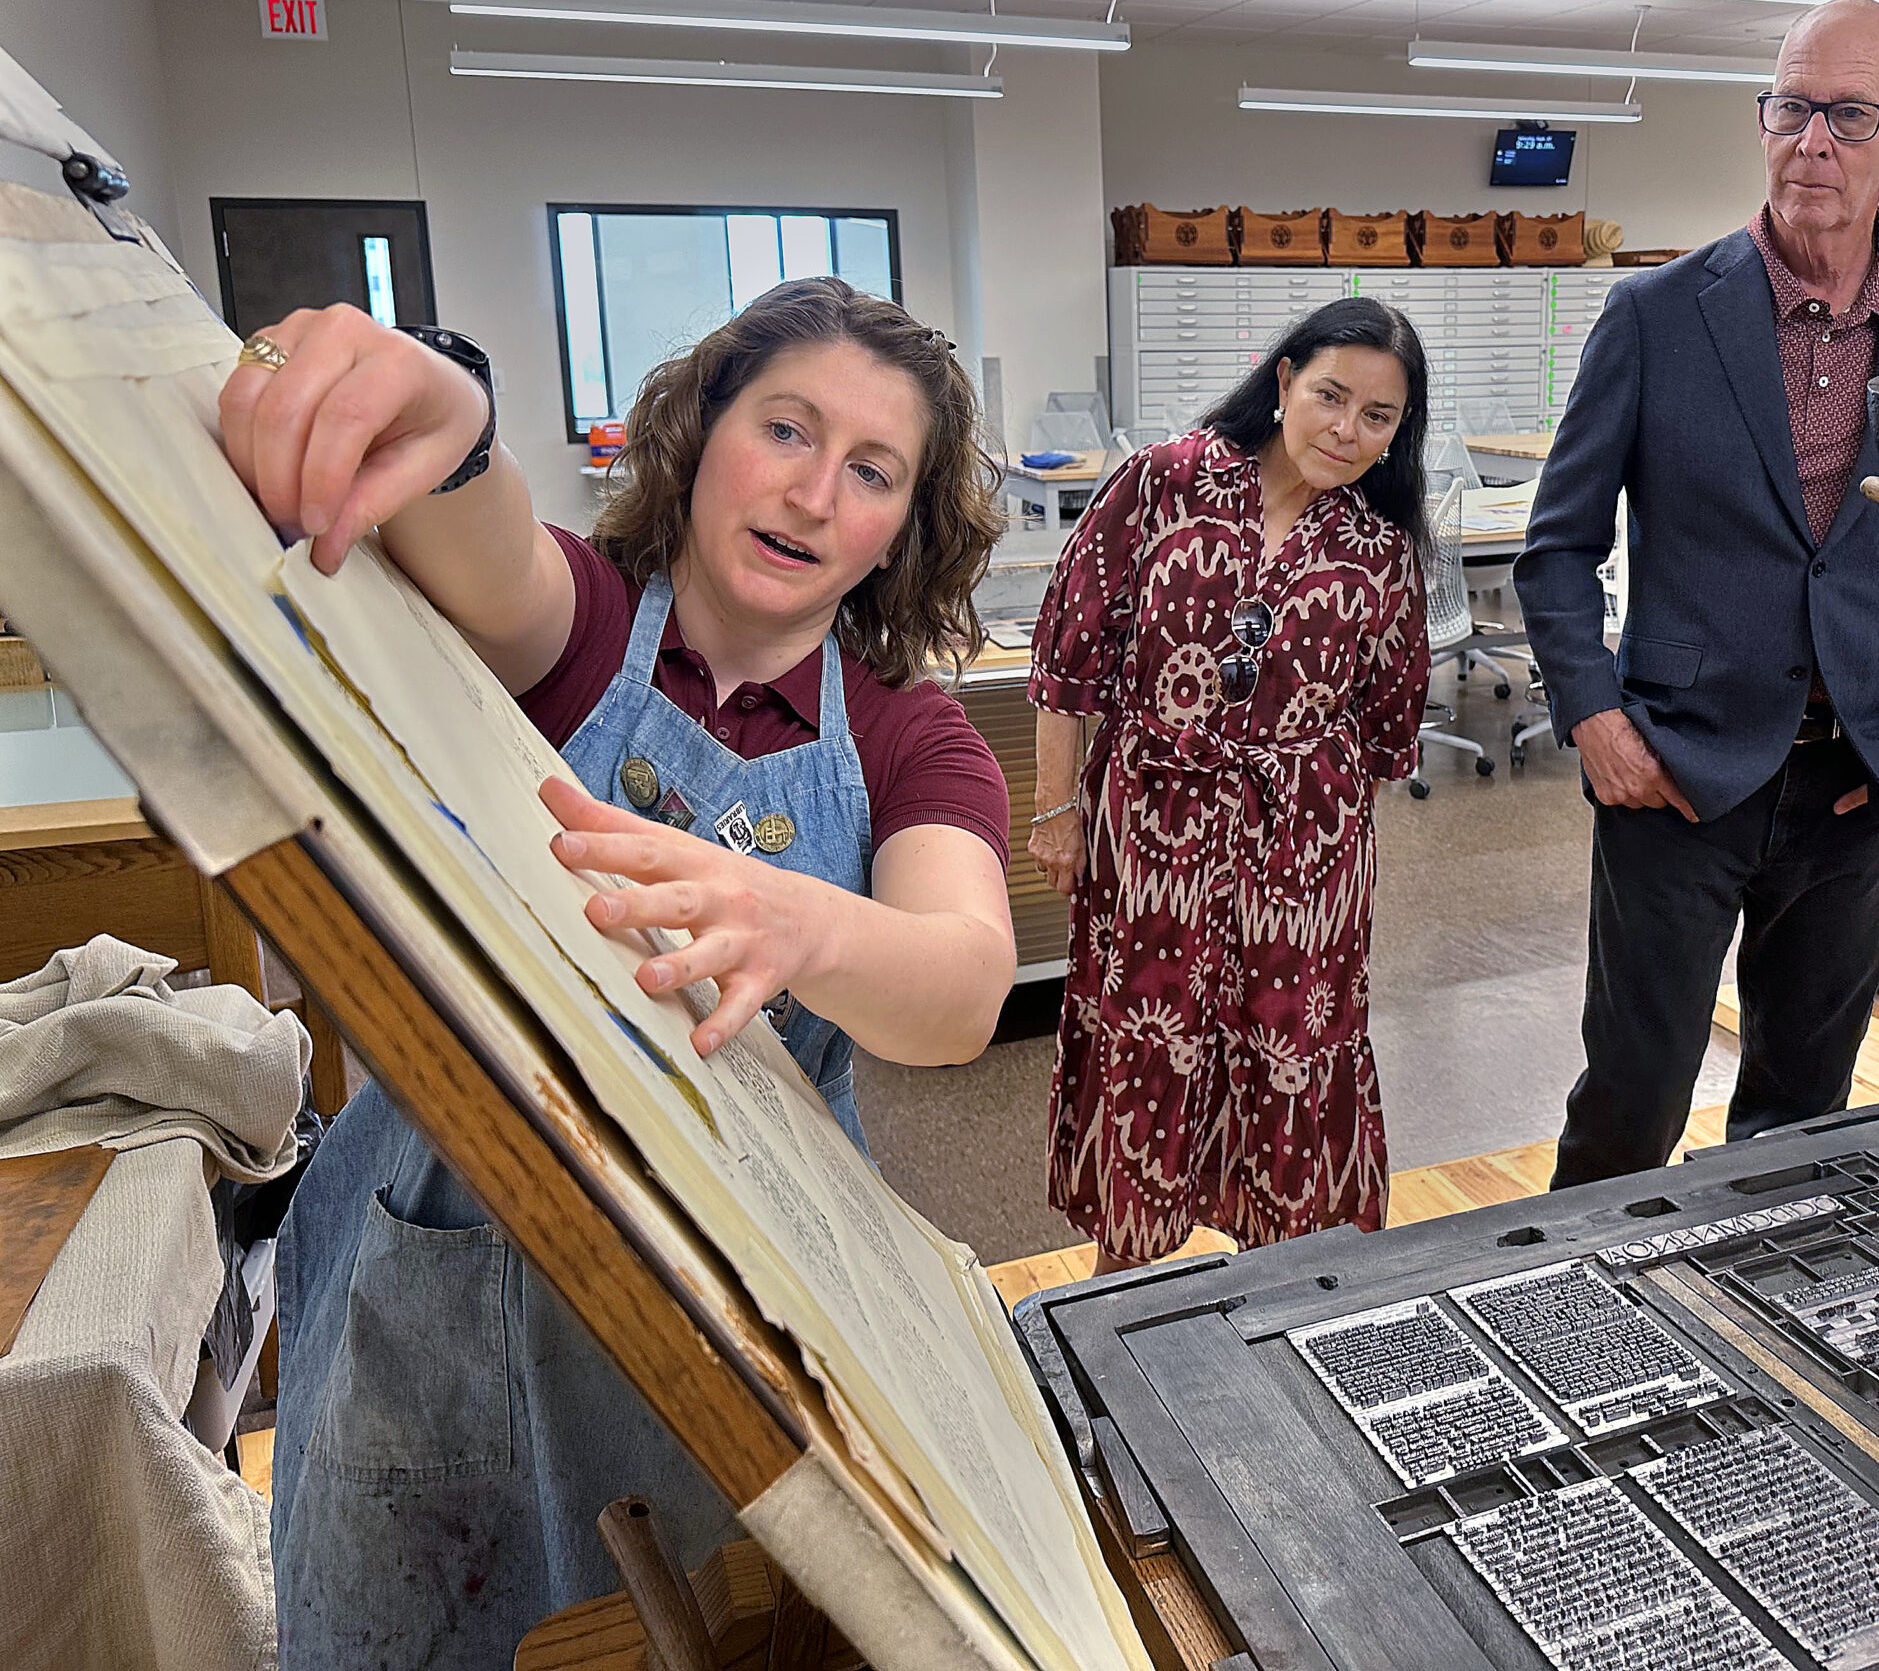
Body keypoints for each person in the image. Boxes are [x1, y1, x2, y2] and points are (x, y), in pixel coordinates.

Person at [220, 278, 1015, 1666]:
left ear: (903, 529)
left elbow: (958, 989)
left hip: (739, 1304)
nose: (817, 493)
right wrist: (450, 404)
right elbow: (478, 544)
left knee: (699, 1627)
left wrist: (804, 926)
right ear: (699, 437)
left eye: (873, 471)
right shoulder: (576, 631)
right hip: (447, 1276)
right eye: (786, 429)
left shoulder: (909, 739)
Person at [1516, 0, 1879, 1185]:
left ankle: (1756, 1342)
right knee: (1630, 1100)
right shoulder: (1658, 315)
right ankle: (1577, 1323)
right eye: (1790, 109)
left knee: (1801, 1112)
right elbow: (1555, 547)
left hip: (1858, 785)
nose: (1812, 141)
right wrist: (1593, 718)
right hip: (1676, 776)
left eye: (1847, 115)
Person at [1026, 297, 1432, 1272]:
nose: (1347, 429)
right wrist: (1056, 810)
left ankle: (1282, 1300)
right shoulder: (1164, 484)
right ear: (1284, 379)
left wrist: (1320, 870)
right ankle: (1120, 1289)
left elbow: (1383, 733)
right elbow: (1067, 656)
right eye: (1332, 395)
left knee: (1289, 1060)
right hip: (1151, 839)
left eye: (1378, 417)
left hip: (1304, 863)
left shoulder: (1377, 550)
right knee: (1148, 1040)